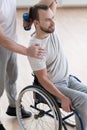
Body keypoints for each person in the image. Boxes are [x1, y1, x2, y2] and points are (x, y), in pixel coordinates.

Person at [28, 0, 87, 130]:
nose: (53, 22)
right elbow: (43, 80)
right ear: (36, 23)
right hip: (55, 86)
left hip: (68, 79)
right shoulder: (35, 48)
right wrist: (63, 98)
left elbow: (52, 1)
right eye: (48, 19)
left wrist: (28, 14)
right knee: (84, 99)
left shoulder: (50, 29)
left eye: (53, 18)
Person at [0, 0, 46, 130]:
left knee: (12, 77)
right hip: (2, 44)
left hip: (11, 40)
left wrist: (28, 17)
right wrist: (26, 51)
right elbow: (1, 39)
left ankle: (13, 106)